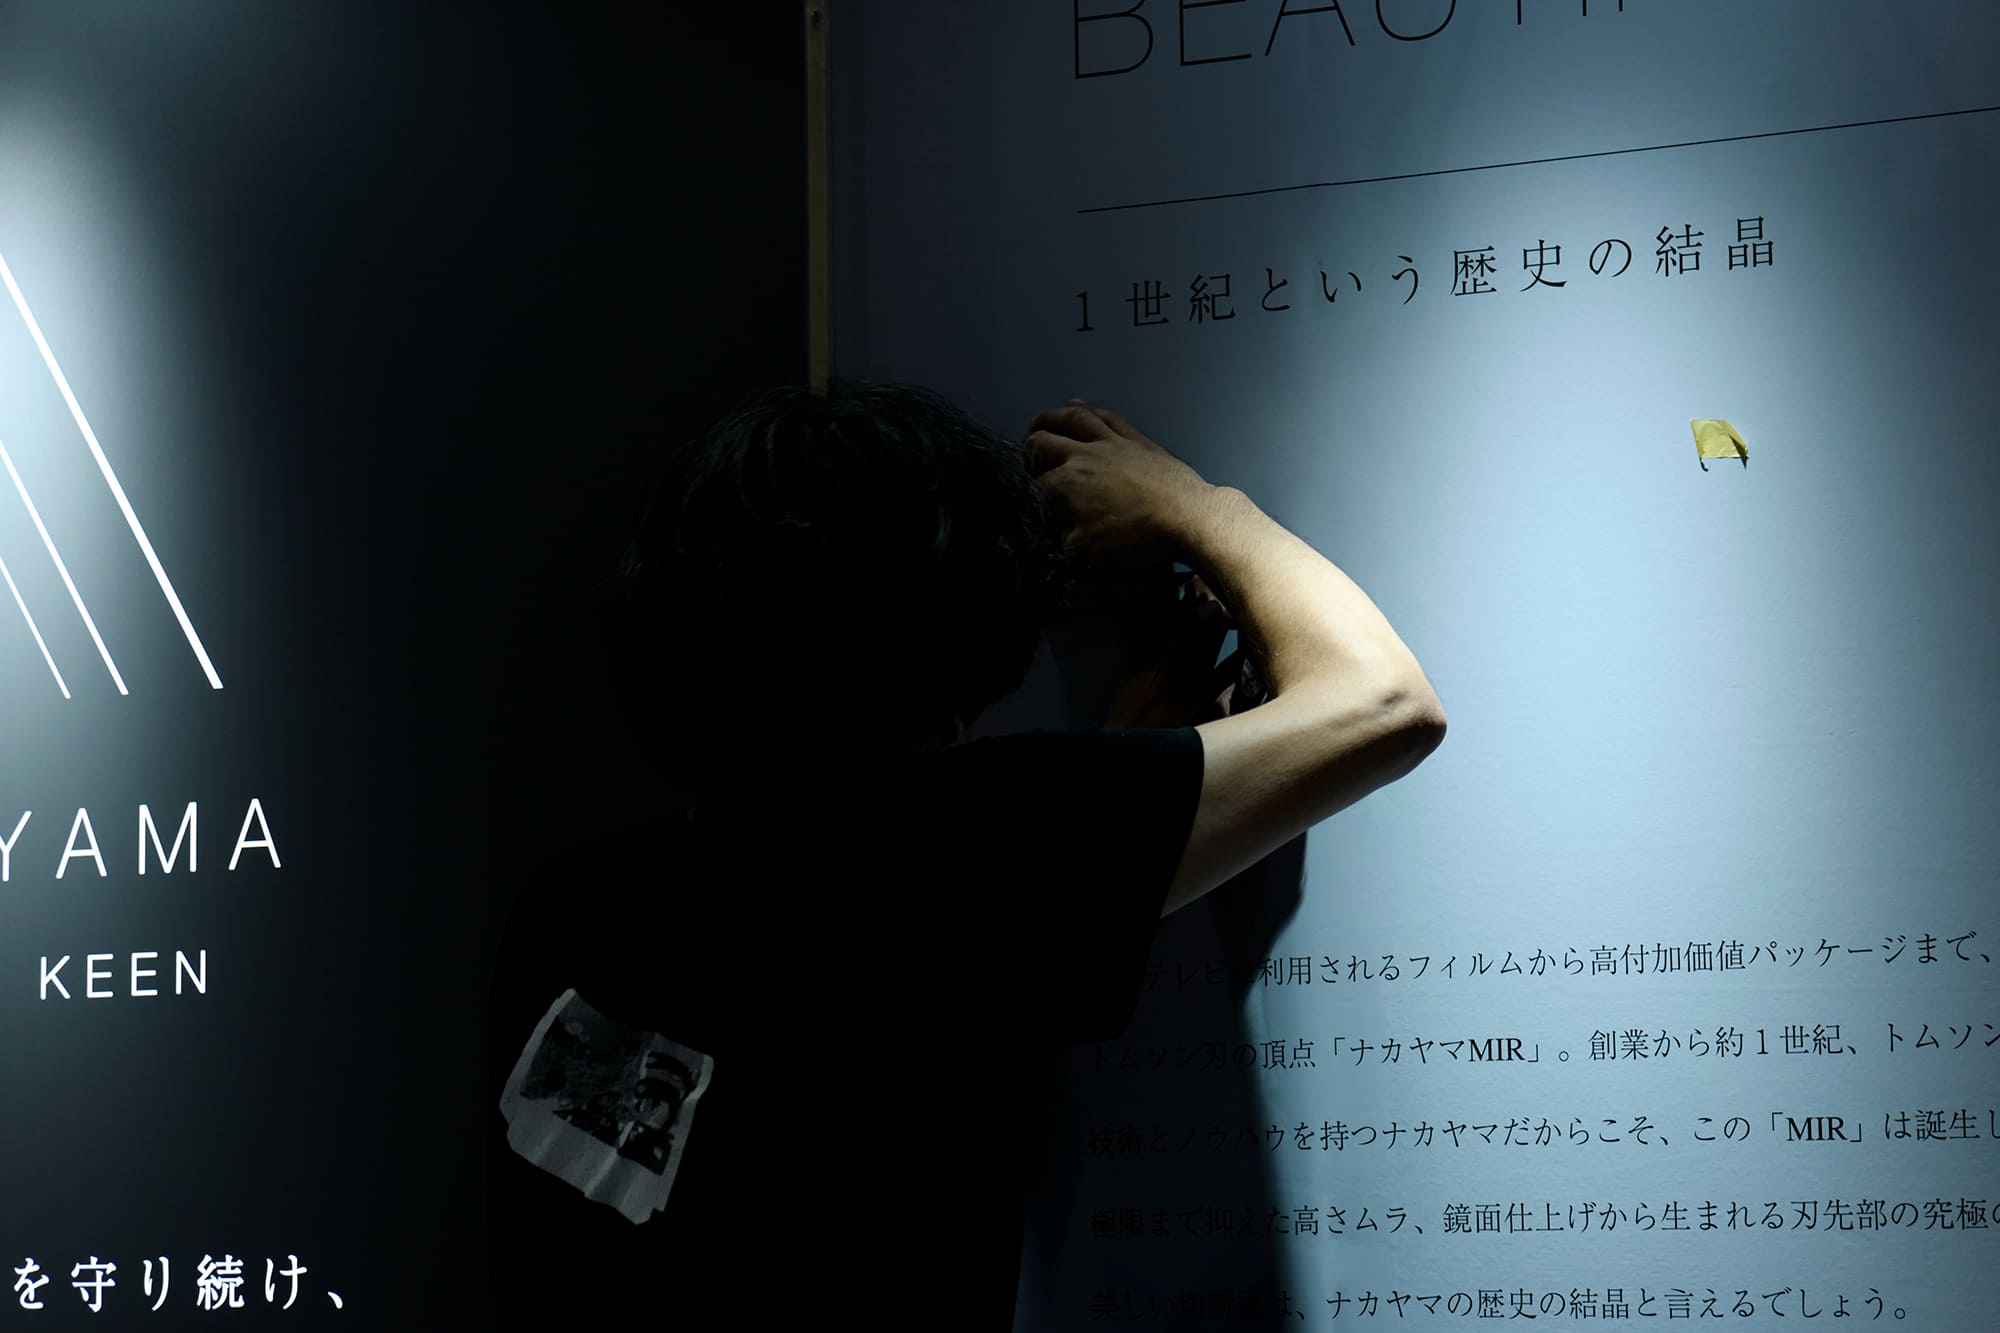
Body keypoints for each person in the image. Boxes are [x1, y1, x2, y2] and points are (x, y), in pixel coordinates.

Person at [486, 383, 1444, 1329]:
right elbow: (1385, 701)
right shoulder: (967, 850)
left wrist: (1117, 774)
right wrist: (1193, 504)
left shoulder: (575, 906)